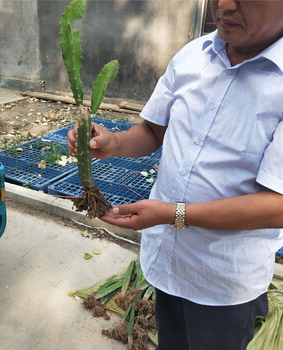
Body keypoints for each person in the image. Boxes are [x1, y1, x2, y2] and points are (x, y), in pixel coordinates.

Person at [67, 0, 283, 349]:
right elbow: (153, 132)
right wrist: (113, 141)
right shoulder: (193, 55)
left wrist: (172, 213)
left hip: (224, 282)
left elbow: (277, 205)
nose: (224, 5)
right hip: (168, 262)